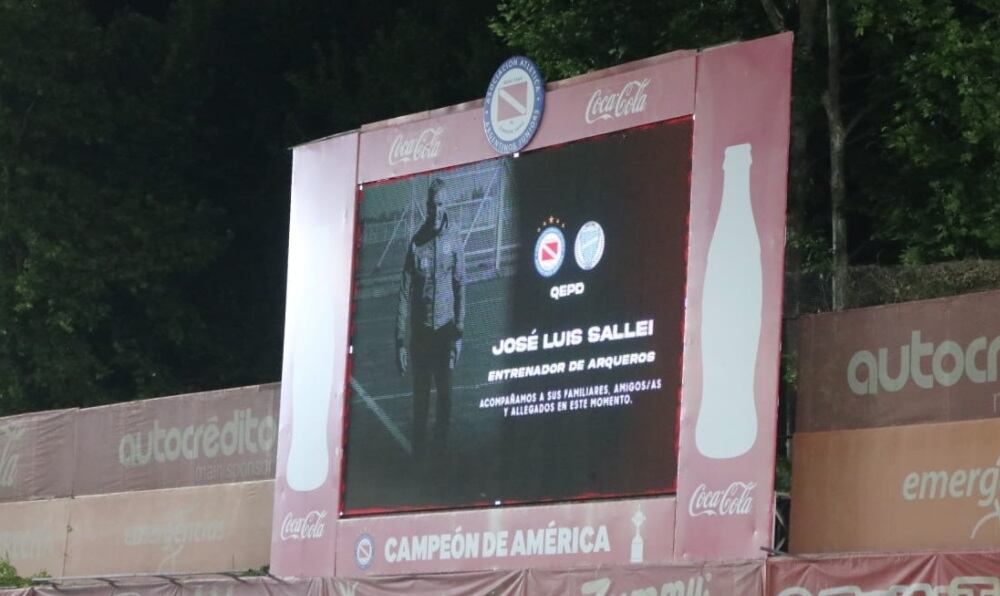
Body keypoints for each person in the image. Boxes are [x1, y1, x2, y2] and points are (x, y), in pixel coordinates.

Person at [396, 178, 465, 462]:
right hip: (421, 334)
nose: (436, 210)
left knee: (446, 400)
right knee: (421, 401)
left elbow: (461, 285)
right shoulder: (416, 244)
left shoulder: (454, 240)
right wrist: (400, 341)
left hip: (445, 331)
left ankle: (440, 454)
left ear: (446, 205)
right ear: (426, 207)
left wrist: (459, 332)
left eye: (440, 204)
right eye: (431, 205)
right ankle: (418, 457)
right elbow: (403, 294)